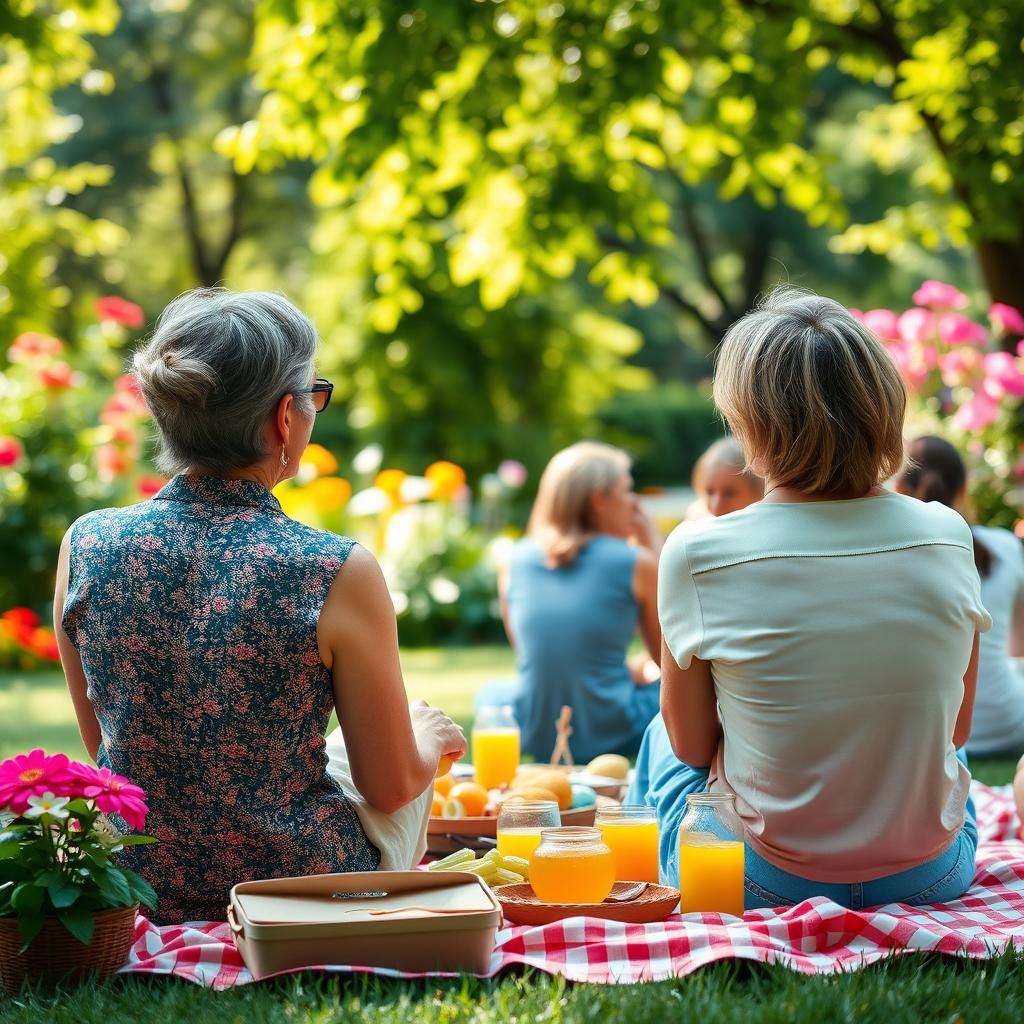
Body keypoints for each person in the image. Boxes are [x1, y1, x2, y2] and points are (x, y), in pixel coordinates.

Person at [53, 288, 466, 923]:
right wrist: (428, 739)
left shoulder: (86, 544)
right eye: (313, 397)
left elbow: (108, 746)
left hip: (134, 885)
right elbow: (388, 786)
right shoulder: (334, 568)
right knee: (408, 739)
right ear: (283, 418)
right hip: (299, 893)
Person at [630, 287, 990, 909]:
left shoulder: (697, 551)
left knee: (661, 735)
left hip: (758, 881)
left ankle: (642, 886)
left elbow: (691, 749)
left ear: (750, 421)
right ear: (881, 406)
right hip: (932, 873)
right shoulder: (947, 534)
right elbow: (956, 729)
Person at [478, 442, 662, 763]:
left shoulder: (513, 559)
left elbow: (533, 653)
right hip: (614, 727)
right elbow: (670, 660)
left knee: (491, 693)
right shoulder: (636, 562)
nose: (634, 503)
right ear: (600, 501)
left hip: (535, 728)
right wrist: (652, 544)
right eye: (627, 491)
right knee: (686, 694)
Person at [895, 435, 1024, 757]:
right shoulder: (1005, 547)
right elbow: (1018, 649)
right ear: (964, 488)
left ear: (898, 490)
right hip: (1010, 726)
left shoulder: (890, 561)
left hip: (936, 735)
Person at [689, 436, 764, 519]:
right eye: (709, 492)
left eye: (729, 493)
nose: (716, 507)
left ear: (759, 492)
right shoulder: (696, 523)